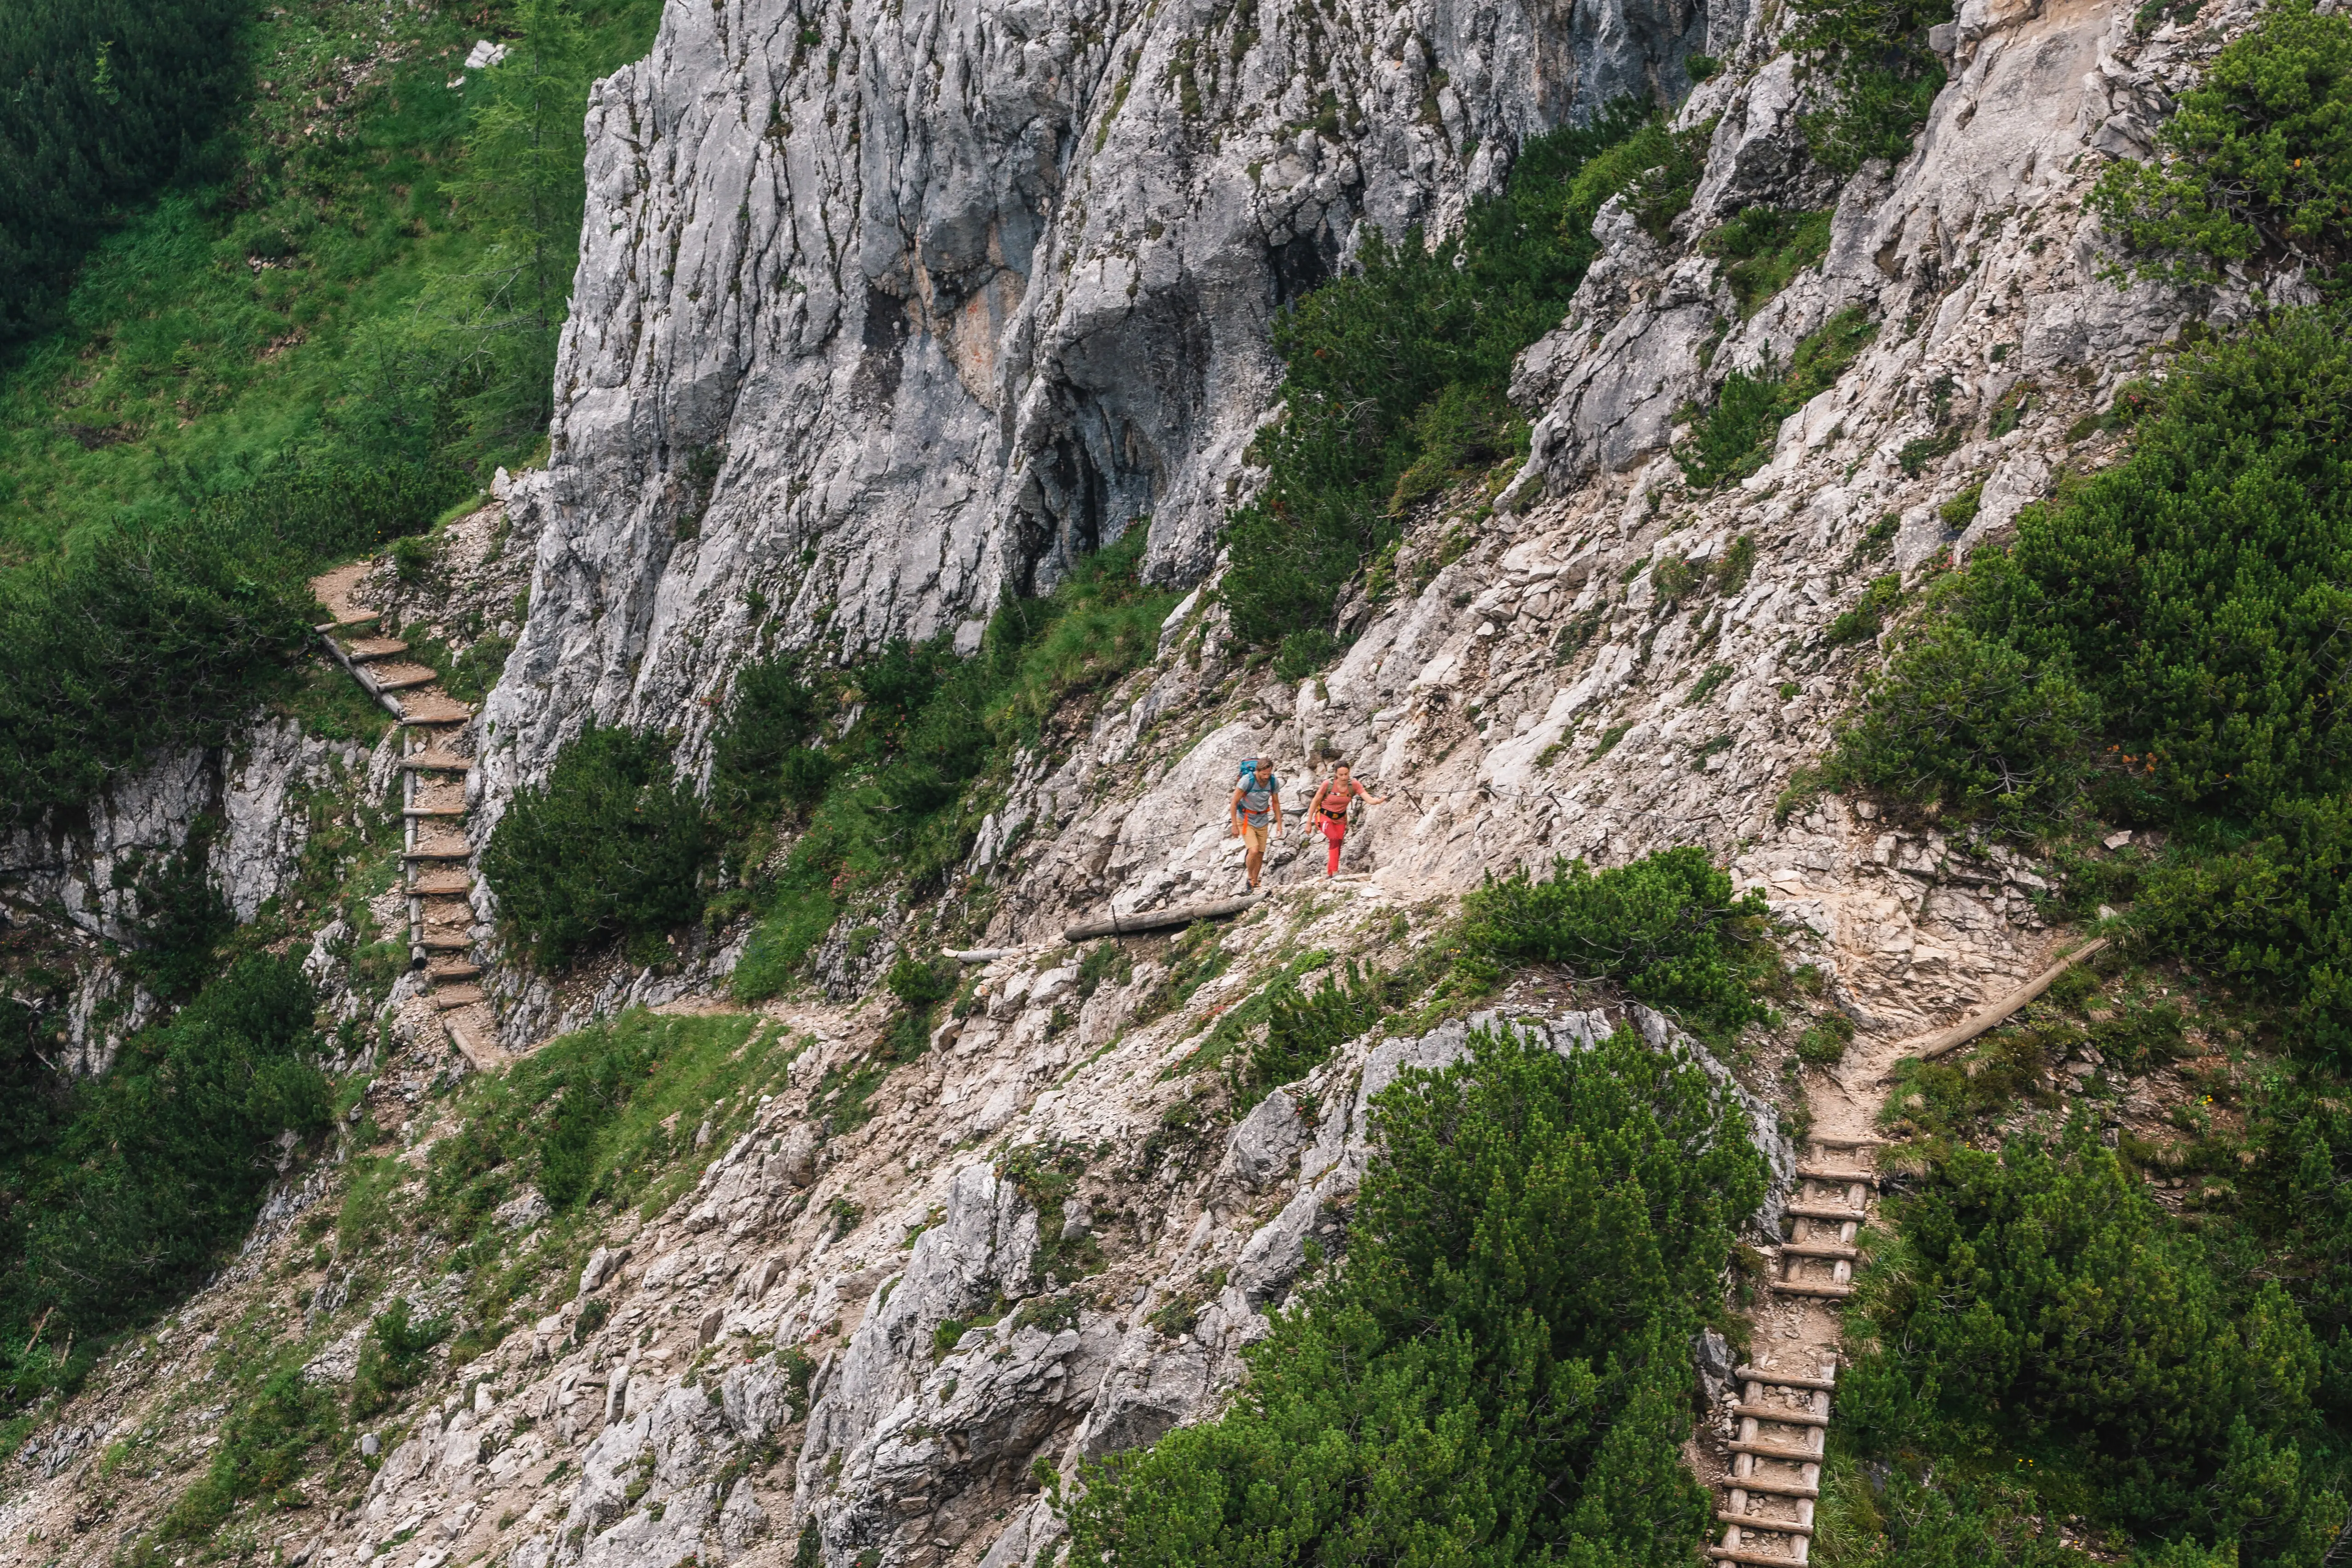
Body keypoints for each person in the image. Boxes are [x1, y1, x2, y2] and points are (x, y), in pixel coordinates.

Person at [1307, 762, 1386, 878]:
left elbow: (1368, 798)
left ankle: (1330, 873)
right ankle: (1334, 871)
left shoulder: (1354, 785)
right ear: (1336, 774)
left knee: (1338, 843)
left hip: (1341, 819)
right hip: (1324, 817)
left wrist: (1378, 801)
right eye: (1341, 775)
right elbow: (1315, 801)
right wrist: (1309, 823)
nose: (1344, 777)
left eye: (1346, 774)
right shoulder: (1327, 785)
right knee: (1333, 839)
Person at [1229, 755, 1283, 892]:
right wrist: (1234, 825)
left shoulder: (1273, 781)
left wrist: (1279, 824)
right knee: (1253, 850)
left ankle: (1255, 882)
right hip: (1246, 819)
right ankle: (1250, 878)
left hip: (1263, 820)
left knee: (1260, 853)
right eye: (1264, 774)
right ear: (1258, 771)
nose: (1266, 777)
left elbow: (1276, 803)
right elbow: (1234, 803)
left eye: (1268, 774)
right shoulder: (1247, 781)